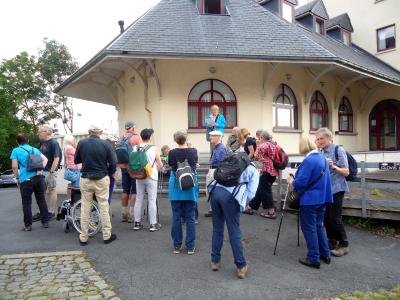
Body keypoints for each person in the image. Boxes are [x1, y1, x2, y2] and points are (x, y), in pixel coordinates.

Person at [208, 155, 259, 279]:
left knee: (217, 229)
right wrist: (243, 202)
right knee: (234, 231)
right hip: (231, 197)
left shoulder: (229, 161)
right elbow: (251, 194)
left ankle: (215, 261)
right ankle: (241, 266)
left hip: (215, 192)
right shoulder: (253, 169)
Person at [287, 136, 333, 269]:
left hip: (310, 200)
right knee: (319, 226)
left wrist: (291, 181)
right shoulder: (323, 159)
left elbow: (300, 183)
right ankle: (325, 254)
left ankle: (313, 257)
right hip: (322, 198)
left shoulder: (309, 161)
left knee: (309, 227)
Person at [74, 125, 117, 246]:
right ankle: (107, 235)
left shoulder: (82, 143)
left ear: (89, 132)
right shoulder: (106, 144)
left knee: (85, 208)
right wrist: (108, 173)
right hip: (102, 178)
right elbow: (113, 162)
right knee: (103, 206)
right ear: (101, 132)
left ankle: (84, 237)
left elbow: (77, 160)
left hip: (86, 178)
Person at [315, 128, 350, 257]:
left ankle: (344, 244)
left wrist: (334, 166)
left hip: (337, 189)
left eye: (321, 139)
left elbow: (346, 172)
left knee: (335, 218)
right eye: (317, 139)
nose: (319, 141)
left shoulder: (338, 150)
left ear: (330, 138)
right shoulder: (320, 152)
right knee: (326, 218)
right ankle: (332, 241)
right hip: (325, 189)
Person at [167, 131, 199, 254]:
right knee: (190, 217)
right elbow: (194, 165)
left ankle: (177, 245)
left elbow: (171, 166)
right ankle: (190, 246)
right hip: (189, 185)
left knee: (176, 217)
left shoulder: (171, 153)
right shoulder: (193, 151)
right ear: (186, 139)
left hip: (176, 186)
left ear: (175, 140)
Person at [10, 134, 50, 231]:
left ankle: (28, 226)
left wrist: (17, 178)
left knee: (26, 203)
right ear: (27, 140)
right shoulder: (34, 149)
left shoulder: (16, 151)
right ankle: (45, 222)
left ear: (17, 142)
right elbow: (45, 159)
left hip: (25, 180)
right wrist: (40, 169)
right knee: (41, 200)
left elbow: (14, 167)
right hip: (39, 177)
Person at [132, 128, 164, 232]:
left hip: (138, 176)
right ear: (150, 137)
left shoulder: (135, 148)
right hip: (151, 176)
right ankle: (153, 224)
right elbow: (160, 164)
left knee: (139, 199)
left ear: (141, 137)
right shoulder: (154, 148)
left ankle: (136, 223)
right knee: (152, 199)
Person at [244, 131, 278, 219]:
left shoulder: (263, 145)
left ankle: (271, 211)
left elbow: (255, 155)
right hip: (273, 171)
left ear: (262, 137)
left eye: (259, 138)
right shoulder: (272, 144)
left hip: (267, 170)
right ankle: (250, 207)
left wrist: (258, 145)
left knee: (265, 190)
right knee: (261, 189)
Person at [118, 121, 142, 223]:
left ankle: (124, 214)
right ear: (132, 128)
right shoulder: (136, 138)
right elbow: (141, 152)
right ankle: (132, 215)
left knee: (125, 190)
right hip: (133, 167)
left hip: (123, 166)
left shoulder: (121, 138)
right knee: (134, 191)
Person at [37, 125, 62, 220]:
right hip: (42, 171)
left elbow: (57, 157)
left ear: (45, 132)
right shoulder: (41, 143)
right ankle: (42, 211)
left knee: (52, 190)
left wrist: (52, 170)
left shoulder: (53, 143)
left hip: (50, 171)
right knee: (41, 191)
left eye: (39, 132)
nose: (38, 134)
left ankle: (51, 212)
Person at [205, 131, 228, 218]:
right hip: (215, 170)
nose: (210, 138)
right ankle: (213, 209)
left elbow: (219, 161)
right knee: (213, 190)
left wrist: (210, 161)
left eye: (212, 136)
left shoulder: (220, 148)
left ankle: (214, 209)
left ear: (218, 137)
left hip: (216, 171)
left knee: (213, 190)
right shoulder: (218, 147)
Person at [63, 135, 81, 200]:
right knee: (76, 186)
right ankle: (74, 200)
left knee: (72, 184)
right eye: (73, 140)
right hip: (75, 167)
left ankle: (69, 199)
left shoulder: (66, 147)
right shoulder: (70, 148)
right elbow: (78, 154)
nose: (74, 141)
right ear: (69, 140)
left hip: (71, 167)